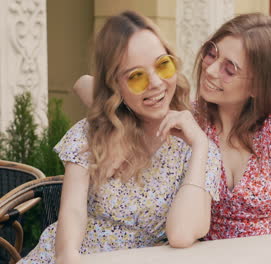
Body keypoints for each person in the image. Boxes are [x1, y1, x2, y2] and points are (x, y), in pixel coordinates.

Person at [73, 13, 271, 240]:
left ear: (258, 85)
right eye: (212, 54)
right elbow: (85, 84)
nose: (211, 70)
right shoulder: (190, 117)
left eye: (230, 68)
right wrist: (121, 123)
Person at [18, 11, 221, 264]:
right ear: (115, 86)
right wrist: (68, 256)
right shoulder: (92, 134)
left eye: (162, 64)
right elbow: (73, 210)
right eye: (136, 76)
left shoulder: (199, 148)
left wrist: (200, 146)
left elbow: (181, 234)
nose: (156, 83)